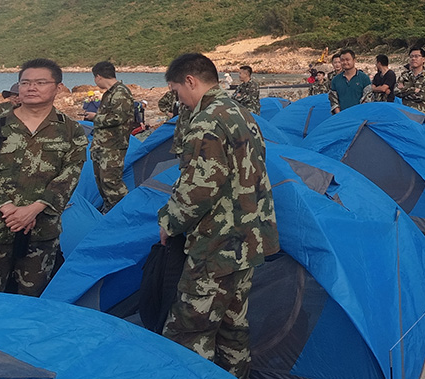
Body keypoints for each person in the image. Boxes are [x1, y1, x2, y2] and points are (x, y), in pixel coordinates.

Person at [158, 53, 279, 376]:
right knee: (232, 327)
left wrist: (169, 222)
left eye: (177, 91)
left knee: (188, 332)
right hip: (249, 240)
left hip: (217, 245)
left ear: (190, 81)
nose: (179, 100)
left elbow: (199, 189)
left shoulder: (206, 121)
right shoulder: (242, 113)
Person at [0, 58, 86, 295]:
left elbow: (70, 175)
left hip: (40, 232)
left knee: (32, 301)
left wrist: (33, 209)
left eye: (40, 82)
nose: (31, 88)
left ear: (58, 88)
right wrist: (9, 209)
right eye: (25, 83)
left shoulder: (70, 130)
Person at [82, 61, 134, 212]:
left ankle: (126, 211)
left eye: (95, 78)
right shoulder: (110, 93)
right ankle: (109, 211)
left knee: (111, 181)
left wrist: (95, 117)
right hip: (102, 145)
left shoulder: (120, 93)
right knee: (102, 182)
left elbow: (118, 117)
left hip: (113, 146)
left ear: (98, 77)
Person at [328, 49, 370, 113]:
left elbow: (367, 98)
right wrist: (339, 115)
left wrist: (359, 113)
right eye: (342, 60)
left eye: (347, 60)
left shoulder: (364, 78)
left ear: (354, 60)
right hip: (342, 115)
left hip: (360, 115)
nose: (345, 62)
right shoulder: (335, 80)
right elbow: (333, 100)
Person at [395, 47, 425, 114]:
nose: (413, 59)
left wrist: (404, 90)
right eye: (411, 56)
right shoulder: (404, 75)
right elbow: (396, 91)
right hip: (406, 113)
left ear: (423, 59)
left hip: (422, 114)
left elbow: (424, 95)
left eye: (416, 56)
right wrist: (414, 90)